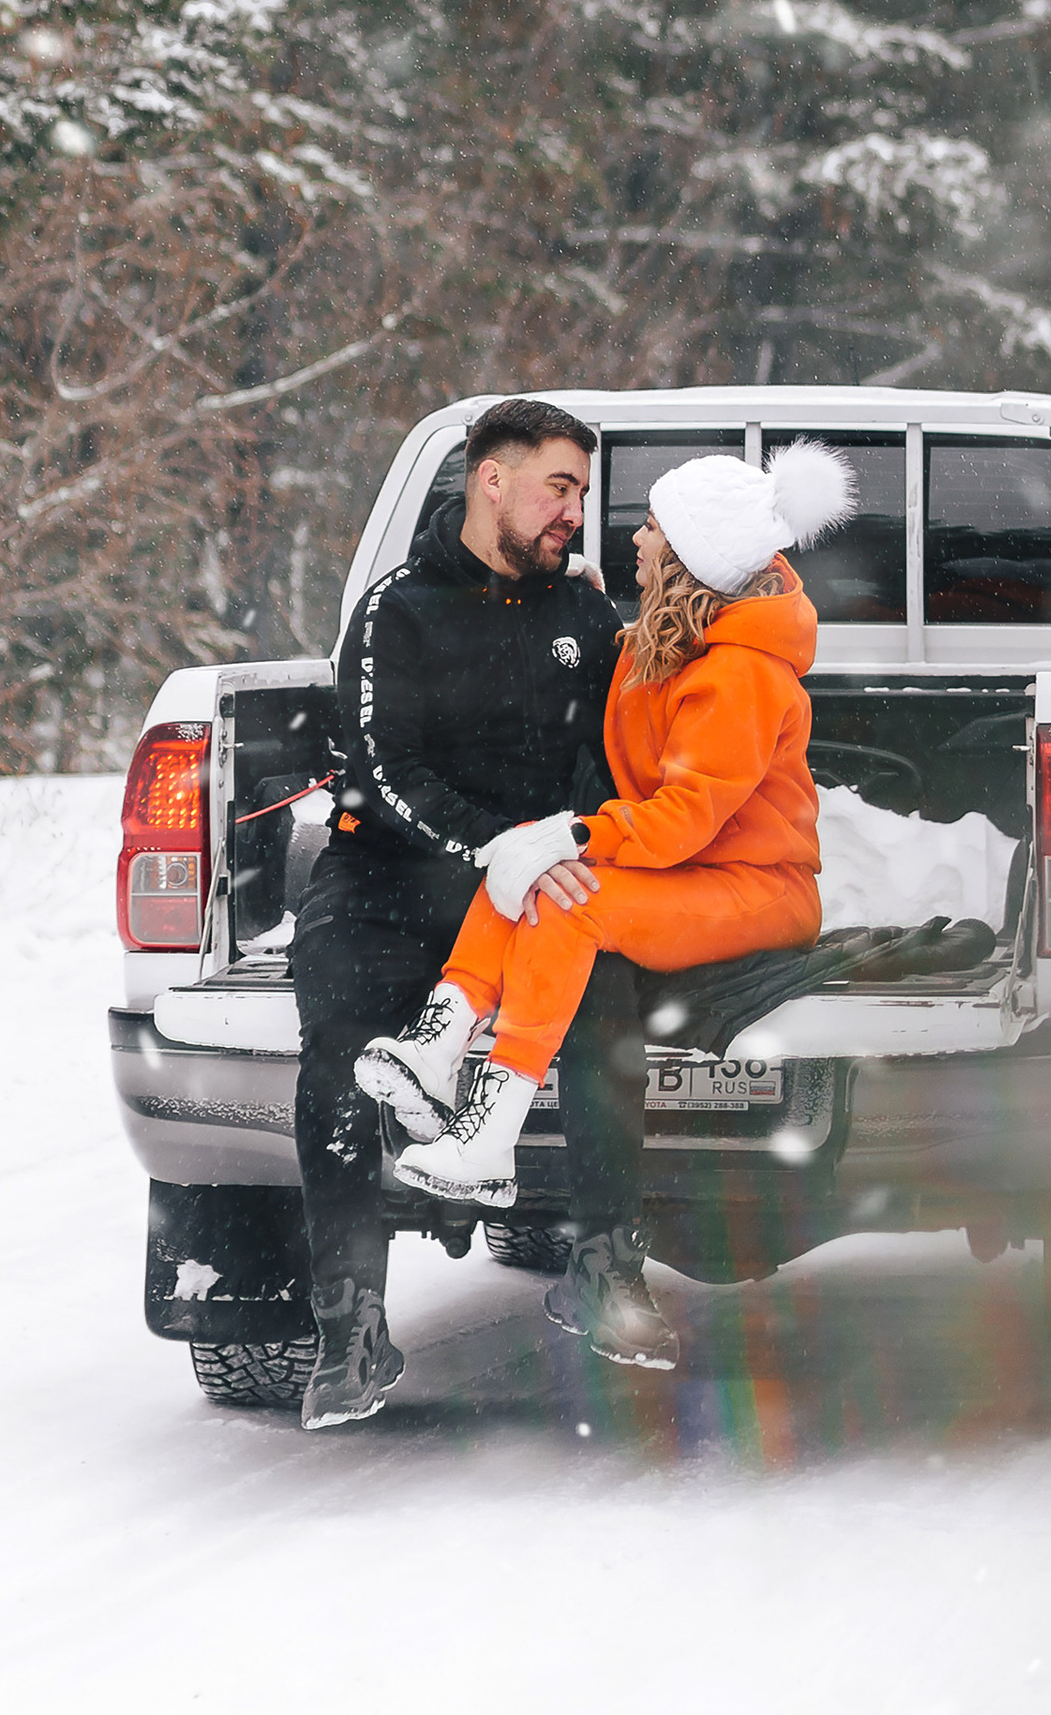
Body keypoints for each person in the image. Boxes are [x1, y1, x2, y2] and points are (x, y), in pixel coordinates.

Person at [354, 443, 853, 1279]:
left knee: (566, 892)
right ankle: (438, 1047)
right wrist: (566, 587)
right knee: (526, 867)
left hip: (759, 892)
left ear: (694, 557)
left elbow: (685, 820)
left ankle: (493, 1128)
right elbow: (630, 662)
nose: (637, 538)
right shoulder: (683, 636)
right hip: (692, 874)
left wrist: (578, 835)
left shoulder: (739, 674)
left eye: (655, 527)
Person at [291, 395, 644, 1430]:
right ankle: (347, 1321)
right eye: (559, 486)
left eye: (581, 491)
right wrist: (496, 846)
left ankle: (608, 1268)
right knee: (341, 1054)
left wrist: (568, 846)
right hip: (388, 882)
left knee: (608, 1001)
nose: (575, 511)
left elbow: (613, 758)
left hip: (537, 893)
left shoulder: (583, 617)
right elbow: (381, 770)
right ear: (491, 478)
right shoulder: (397, 611)